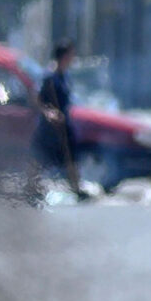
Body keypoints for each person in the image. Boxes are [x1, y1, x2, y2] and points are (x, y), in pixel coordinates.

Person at [30, 38, 88, 201]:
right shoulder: (50, 76)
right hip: (49, 126)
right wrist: (49, 113)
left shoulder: (64, 76)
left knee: (71, 156)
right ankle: (31, 188)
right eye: (71, 55)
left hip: (63, 123)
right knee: (39, 158)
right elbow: (37, 99)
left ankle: (76, 188)